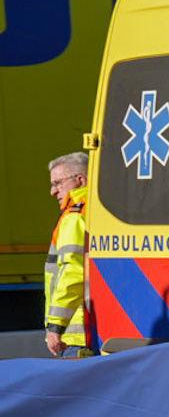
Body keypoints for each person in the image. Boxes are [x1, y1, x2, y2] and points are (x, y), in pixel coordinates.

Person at [44, 152, 89, 358]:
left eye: (58, 183)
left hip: (76, 335)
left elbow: (73, 271)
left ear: (80, 180)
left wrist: (56, 326)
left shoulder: (75, 216)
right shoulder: (108, 211)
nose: (54, 191)